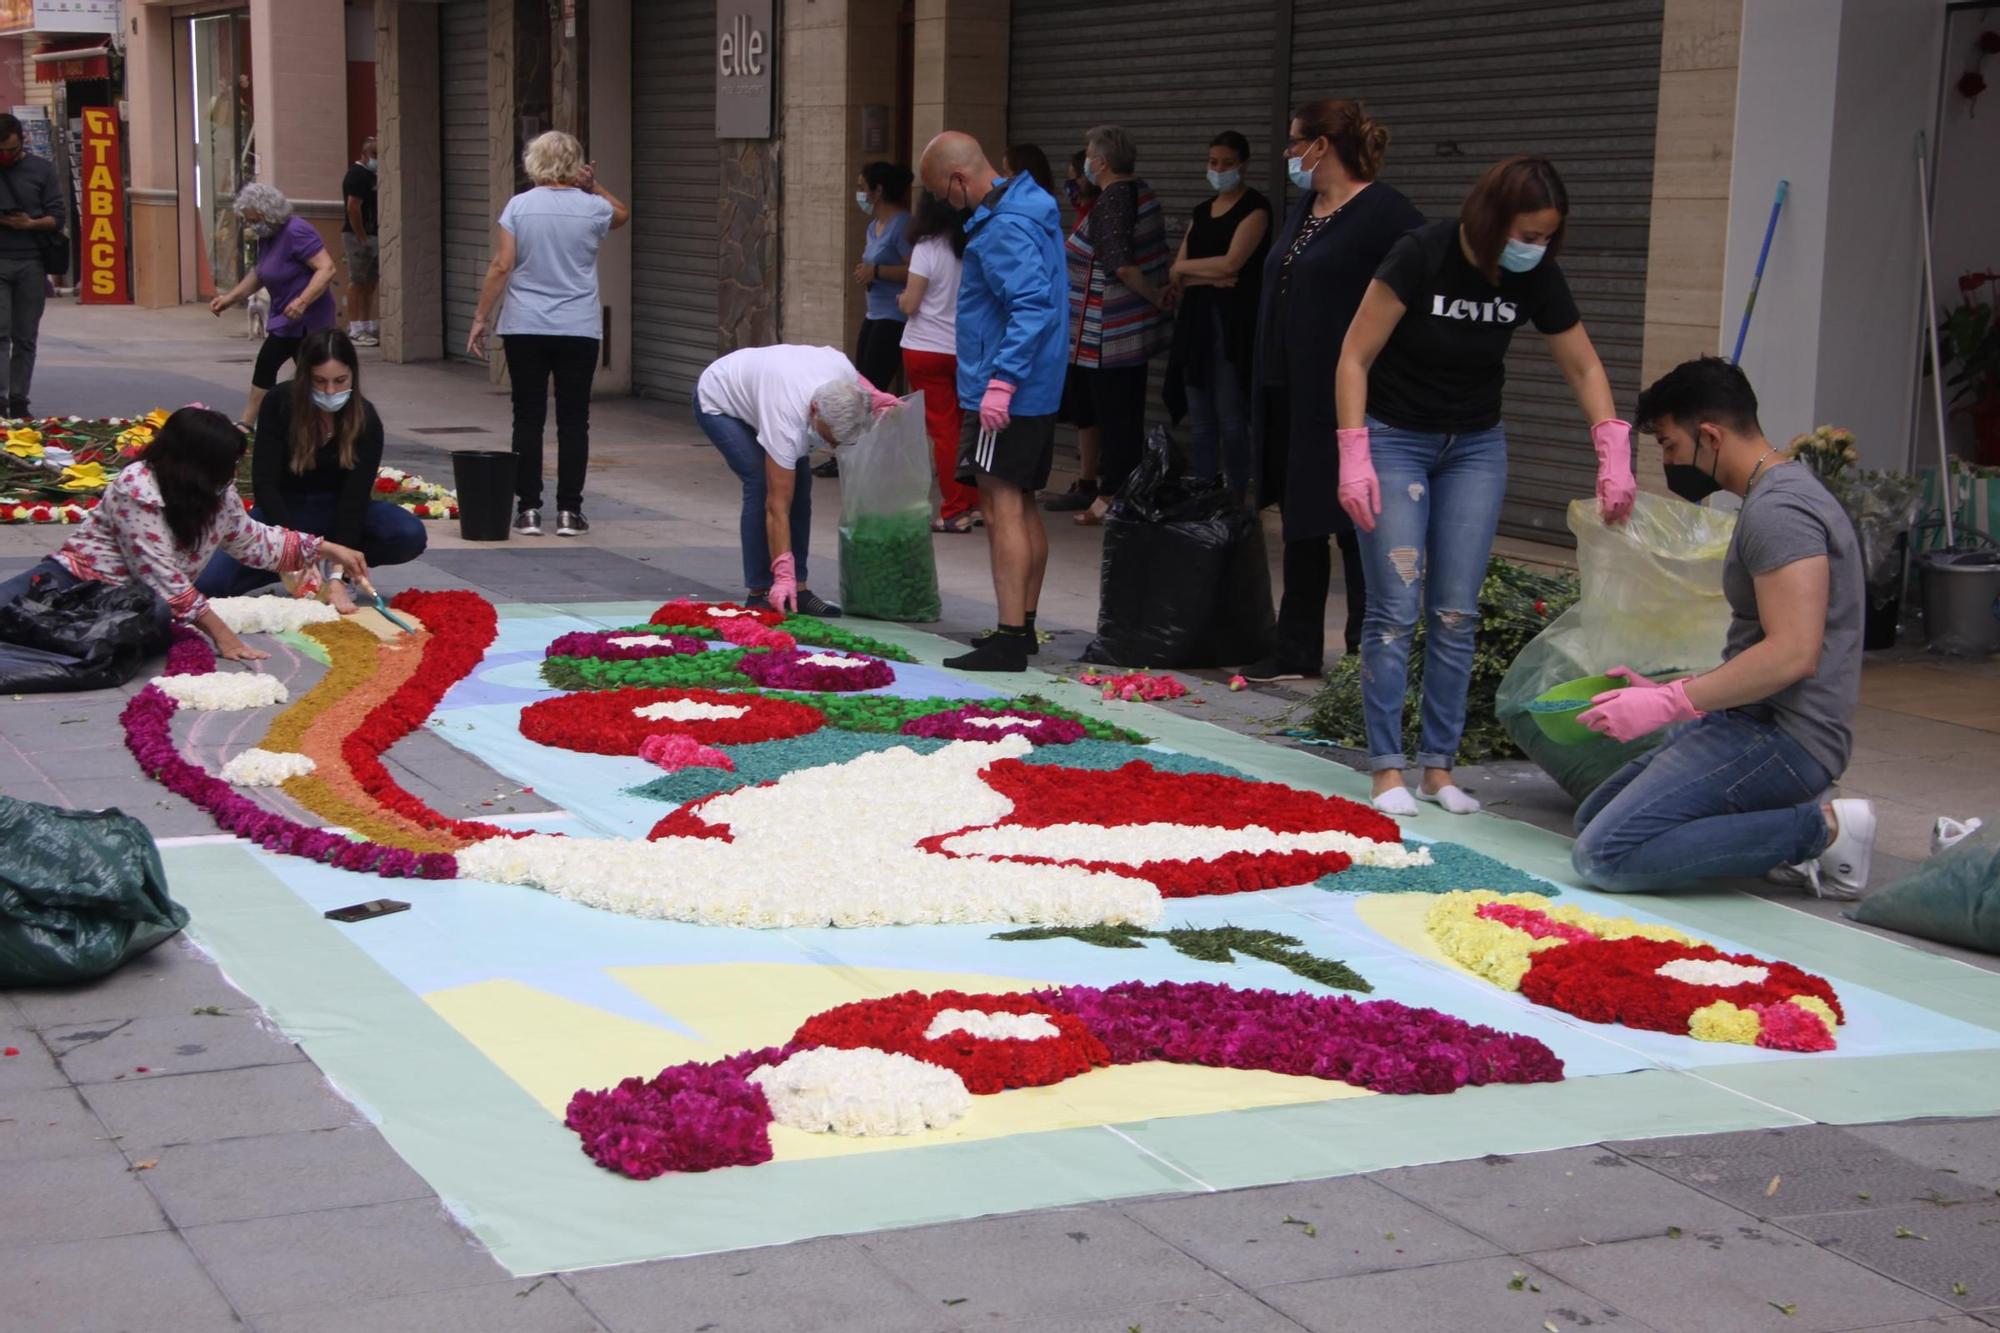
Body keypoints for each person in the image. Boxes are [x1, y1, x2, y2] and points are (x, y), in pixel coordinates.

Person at [1334, 154, 1637, 817]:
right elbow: (1354, 354)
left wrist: (1611, 443)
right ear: (1493, 218)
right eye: (1525, 235)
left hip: (1474, 445)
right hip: (1394, 439)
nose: (1534, 249)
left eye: (1546, 238)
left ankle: (1440, 769)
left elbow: (1583, 363)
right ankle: (1388, 769)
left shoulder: (1535, 277)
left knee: (1455, 611)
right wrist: (1353, 449)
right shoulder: (1423, 253)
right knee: (1394, 610)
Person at [1570, 357, 1874, 898]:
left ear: (1709, 435)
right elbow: (1766, 643)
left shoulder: (1780, 512)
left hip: (1786, 738)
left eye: (1668, 446)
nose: (1667, 461)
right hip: (1746, 722)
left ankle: (1825, 831)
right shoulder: (1774, 496)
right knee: (1594, 817)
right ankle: (1778, 815)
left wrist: (1673, 702)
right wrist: (1669, 689)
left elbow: (1793, 654)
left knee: (1605, 855)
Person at [1241, 99, 1421, 684]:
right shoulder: (1307, 207)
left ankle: (1365, 652)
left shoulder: (1385, 213)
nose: (1289, 153)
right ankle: (1295, 647)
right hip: (1289, 388)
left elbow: (1413, 290)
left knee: (1352, 521)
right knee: (1300, 520)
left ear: (1325, 145)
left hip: (1348, 393)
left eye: (1296, 141)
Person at [0, 407, 369, 664]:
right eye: (227, 463)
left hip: (128, 603)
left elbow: (254, 542)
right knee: (11, 611)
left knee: (155, 617)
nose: (233, 472)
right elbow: (161, 576)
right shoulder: (138, 487)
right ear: (194, 464)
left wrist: (328, 549)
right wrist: (222, 635)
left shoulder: (215, 493)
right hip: (71, 584)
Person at [918, 130, 1067, 672]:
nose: (943, 204)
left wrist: (1001, 382)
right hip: (1038, 383)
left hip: (1005, 389)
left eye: (941, 193)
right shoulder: (1031, 210)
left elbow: (1030, 306)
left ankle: (1009, 636)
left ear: (959, 180)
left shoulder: (1002, 228)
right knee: (1021, 502)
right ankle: (1020, 626)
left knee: (999, 504)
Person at [467, 130, 630, 538]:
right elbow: (623, 215)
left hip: (525, 325)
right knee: (575, 419)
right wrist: (595, 187)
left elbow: (502, 265)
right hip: (578, 326)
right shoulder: (594, 208)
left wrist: (480, 317)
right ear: (575, 164)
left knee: (528, 417)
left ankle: (529, 510)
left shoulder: (519, 207)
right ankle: (570, 512)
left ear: (533, 162)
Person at [196, 330, 426, 610]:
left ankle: (334, 569)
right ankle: (285, 569)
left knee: (408, 533)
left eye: (340, 381)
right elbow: (265, 484)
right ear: (305, 377)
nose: (330, 391)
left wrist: (339, 576)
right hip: (282, 511)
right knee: (210, 585)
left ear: (353, 375)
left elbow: (353, 501)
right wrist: (295, 552)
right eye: (320, 381)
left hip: (336, 511)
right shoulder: (280, 402)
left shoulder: (365, 419)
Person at [694, 345, 888, 616]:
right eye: (828, 437)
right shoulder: (786, 418)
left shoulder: (840, 369)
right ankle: (760, 591)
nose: (830, 446)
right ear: (814, 410)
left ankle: (799, 589)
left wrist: (879, 400)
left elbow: (858, 386)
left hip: (771, 384)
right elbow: (777, 507)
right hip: (721, 400)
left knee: (801, 485)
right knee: (764, 485)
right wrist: (781, 572)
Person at [1063, 125, 1171, 526]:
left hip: (1110, 334)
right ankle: (1120, 493)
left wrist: (1155, 295)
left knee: (1117, 417)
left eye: (1089, 155)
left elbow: (1121, 265)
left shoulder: (1113, 200)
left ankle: (1112, 495)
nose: (1086, 163)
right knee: (1122, 413)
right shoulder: (1140, 192)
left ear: (1102, 162)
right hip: (1122, 332)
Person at [1166, 131, 1271, 493]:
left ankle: (1238, 494)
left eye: (1227, 163)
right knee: (1201, 419)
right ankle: (1204, 492)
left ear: (1242, 164)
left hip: (1231, 324)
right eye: (1213, 162)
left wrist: (1193, 272)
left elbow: (1232, 264)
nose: (1219, 169)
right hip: (1196, 323)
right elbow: (1176, 270)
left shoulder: (1255, 209)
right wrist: (1196, 275)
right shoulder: (1202, 211)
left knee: (1231, 417)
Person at [208, 183, 337, 428]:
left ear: (267, 213)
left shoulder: (297, 231)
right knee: (269, 364)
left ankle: (327, 424)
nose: (250, 225)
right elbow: (260, 273)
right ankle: (247, 424)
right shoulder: (268, 237)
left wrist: (303, 300)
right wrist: (229, 299)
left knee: (313, 373)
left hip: (309, 320)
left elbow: (327, 268)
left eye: (252, 219)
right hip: (284, 317)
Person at [899, 190, 979, 534]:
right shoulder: (972, 245)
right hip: (964, 349)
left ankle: (954, 509)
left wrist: (902, 299)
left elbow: (912, 303)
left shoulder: (927, 247)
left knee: (943, 432)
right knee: (965, 429)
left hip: (926, 349)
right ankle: (974, 503)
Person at [1045, 151, 1104, 513]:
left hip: (1094, 328)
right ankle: (1087, 477)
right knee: (1083, 409)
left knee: (1094, 409)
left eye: (1077, 175)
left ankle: (1093, 481)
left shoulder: (1100, 215)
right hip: (1076, 326)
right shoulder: (1084, 215)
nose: (1073, 184)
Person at [0, 113, 64, 420]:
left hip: (31, 263)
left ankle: (18, 398)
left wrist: (29, 224)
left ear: (22, 142)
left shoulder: (41, 170)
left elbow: (57, 217)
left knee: (25, 336)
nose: (4, 157)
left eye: (10, 151)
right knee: (0, 333)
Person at [853, 160, 915, 394]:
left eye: (862, 187)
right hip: (873, 313)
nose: (859, 194)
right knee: (860, 382)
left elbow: (916, 270)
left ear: (877, 191)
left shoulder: (902, 224)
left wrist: (877, 271)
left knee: (872, 387)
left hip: (893, 316)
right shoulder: (873, 227)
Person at [342, 136, 380, 347]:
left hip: (373, 233)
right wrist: (361, 235)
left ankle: (366, 324)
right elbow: (353, 207)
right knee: (358, 279)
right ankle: (356, 326)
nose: (377, 160)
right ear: (364, 155)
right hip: (358, 235)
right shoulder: (357, 175)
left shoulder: (372, 175)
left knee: (370, 281)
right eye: (374, 155)